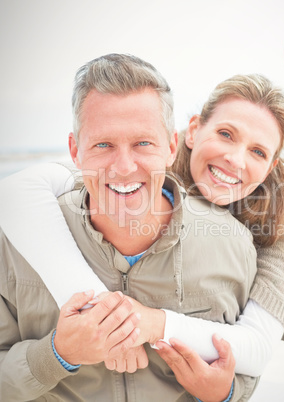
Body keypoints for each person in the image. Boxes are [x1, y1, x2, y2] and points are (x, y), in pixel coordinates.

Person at [0, 53, 261, 401]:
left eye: (142, 144)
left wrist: (227, 393)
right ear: (75, 151)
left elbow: (244, 364)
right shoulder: (14, 243)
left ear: (170, 146)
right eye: (103, 145)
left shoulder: (232, 244)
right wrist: (58, 354)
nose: (123, 167)